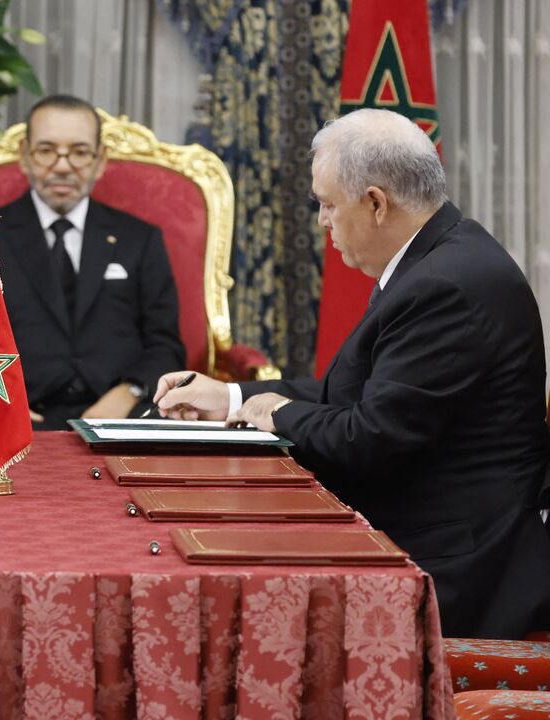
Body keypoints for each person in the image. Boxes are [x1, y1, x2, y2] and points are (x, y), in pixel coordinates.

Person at [155, 108, 550, 639]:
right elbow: (351, 394)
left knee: (230, 608)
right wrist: (229, 397)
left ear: (375, 203)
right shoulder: (436, 255)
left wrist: (278, 413)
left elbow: (371, 437)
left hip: (450, 567)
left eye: (326, 205)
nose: (322, 222)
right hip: (420, 527)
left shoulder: (446, 285)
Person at [0, 95, 185, 429]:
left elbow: (166, 343)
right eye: (46, 150)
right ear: (25, 157)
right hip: (17, 418)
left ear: (100, 160)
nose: (62, 165)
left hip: (122, 417)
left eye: (80, 152)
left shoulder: (139, 238)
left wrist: (130, 391)